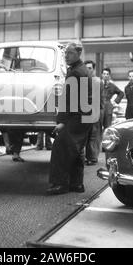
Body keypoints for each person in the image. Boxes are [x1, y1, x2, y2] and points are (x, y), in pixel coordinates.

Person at [47, 42, 93, 195]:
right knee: (76, 150)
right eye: (65, 53)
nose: (66, 56)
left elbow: (69, 100)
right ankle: (76, 184)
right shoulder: (81, 69)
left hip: (77, 117)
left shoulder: (76, 72)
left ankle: (59, 185)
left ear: (78, 54)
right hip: (85, 117)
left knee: (61, 149)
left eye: (70, 53)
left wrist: (61, 122)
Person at [83, 60, 104, 166]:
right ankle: (88, 157)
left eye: (90, 68)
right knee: (86, 135)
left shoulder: (97, 81)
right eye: (86, 68)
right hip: (84, 111)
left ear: (94, 69)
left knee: (93, 135)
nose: (88, 70)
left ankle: (92, 158)